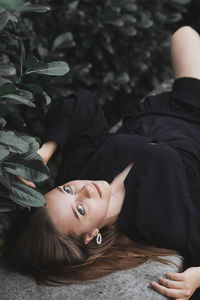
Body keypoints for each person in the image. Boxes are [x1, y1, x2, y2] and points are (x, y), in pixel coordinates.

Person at [4, 26, 200, 299]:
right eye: (80, 210)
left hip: (169, 105)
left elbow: (84, 106)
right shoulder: (155, 222)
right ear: (90, 236)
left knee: (185, 34)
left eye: (66, 190)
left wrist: (43, 153)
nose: (84, 190)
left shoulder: (82, 173)